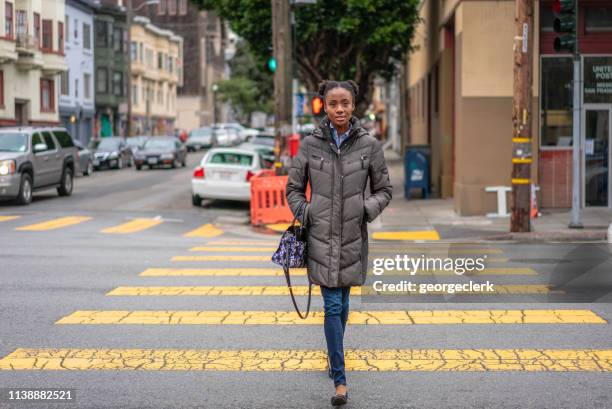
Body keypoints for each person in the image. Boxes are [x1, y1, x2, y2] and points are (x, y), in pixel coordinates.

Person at [286, 80, 393, 406]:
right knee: (332, 306)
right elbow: (293, 189)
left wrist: (365, 209)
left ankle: (333, 355)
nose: (340, 109)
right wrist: (308, 214)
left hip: (352, 237)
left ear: (353, 105)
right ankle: (340, 380)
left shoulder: (369, 146)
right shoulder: (310, 145)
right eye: (333, 104)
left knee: (344, 306)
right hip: (320, 237)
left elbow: (384, 190)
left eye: (345, 103)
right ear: (324, 106)